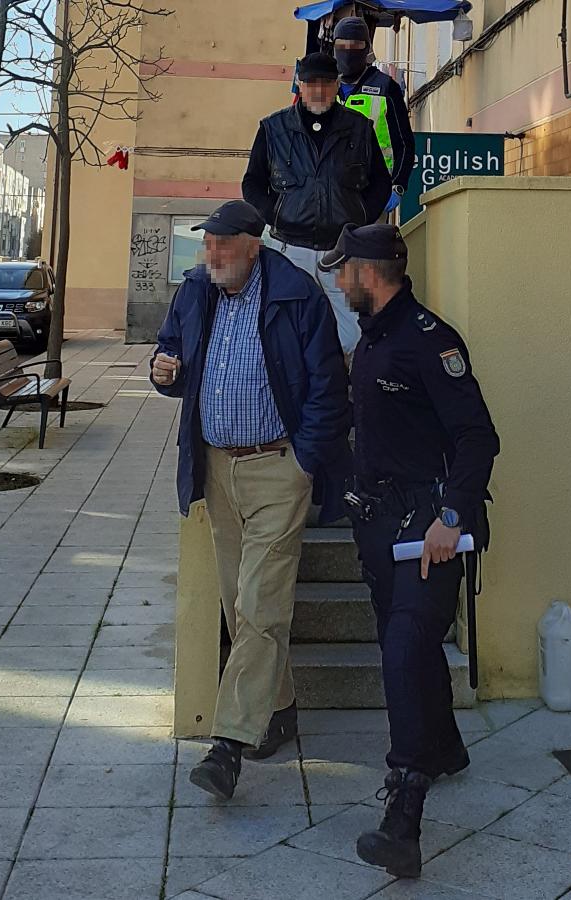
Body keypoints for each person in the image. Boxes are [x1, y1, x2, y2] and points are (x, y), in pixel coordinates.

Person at [150, 200, 351, 801]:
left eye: (223, 246)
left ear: (253, 246)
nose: (211, 255)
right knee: (242, 608)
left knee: (262, 603)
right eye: (207, 245)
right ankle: (280, 708)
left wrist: (304, 463)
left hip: (276, 471)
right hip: (217, 467)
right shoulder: (195, 291)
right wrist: (163, 371)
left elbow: (327, 388)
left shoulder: (298, 297)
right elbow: (172, 358)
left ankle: (229, 744)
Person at [318, 223, 499, 878]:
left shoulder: (430, 341)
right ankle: (444, 747)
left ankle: (403, 816)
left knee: (404, 650)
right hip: (379, 526)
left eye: (344, 273)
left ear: (369, 273)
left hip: (428, 529)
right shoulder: (371, 340)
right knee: (410, 647)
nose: (339, 283)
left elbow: (478, 436)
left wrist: (452, 517)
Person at [242, 51, 392, 355]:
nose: (318, 90)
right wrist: (276, 216)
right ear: (300, 84)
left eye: (325, 82)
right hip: (289, 248)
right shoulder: (273, 129)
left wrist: (361, 219)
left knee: (355, 331)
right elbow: (252, 183)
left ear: (337, 85)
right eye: (311, 83)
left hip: (342, 250)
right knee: (286, 324)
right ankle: (301, 382)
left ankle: (330, 373)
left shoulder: (359, 129)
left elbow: (380, 183)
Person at [332, 17, 416, 214]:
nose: (348, 51)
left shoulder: (386, 87)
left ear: (366, 48)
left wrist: (398, 185)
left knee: (367, 244)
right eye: (341, 45)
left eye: (355, 45)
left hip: (374, 191)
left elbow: (404, 143)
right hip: (332, 194)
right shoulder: (324, 87)